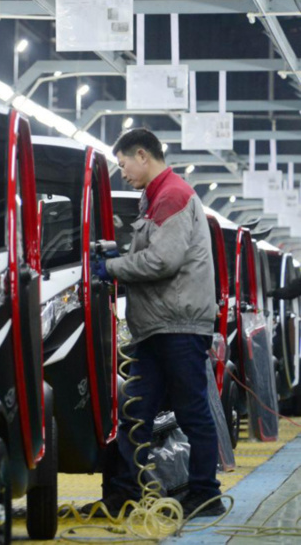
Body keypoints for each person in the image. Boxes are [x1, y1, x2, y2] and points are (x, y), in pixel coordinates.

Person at [81, 129, 224, 519]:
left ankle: (206, 495)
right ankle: (123, 496)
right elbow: (154, 254)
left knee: (191, 410)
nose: (122, 172)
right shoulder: (155, 197)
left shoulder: (172, 195)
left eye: (124, 163)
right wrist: (120, 256)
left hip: (177, 326)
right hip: (158, 327)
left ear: (142, 154)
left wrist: (110, 268)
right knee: (134, 413)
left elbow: (163, 261)